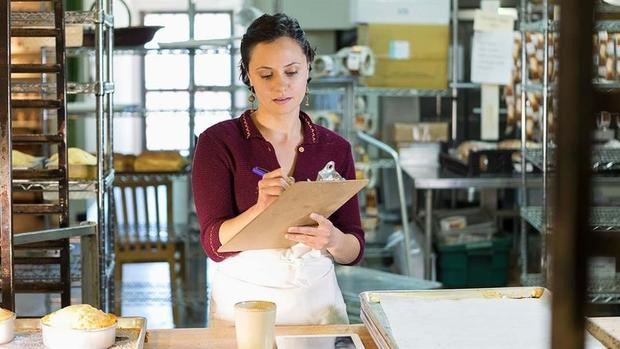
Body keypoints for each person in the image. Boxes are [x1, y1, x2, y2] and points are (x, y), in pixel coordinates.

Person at [191, 13, 364, 326]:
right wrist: (260, 209)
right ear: (248, 76)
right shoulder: (218, 142)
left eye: (292, 71)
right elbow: (213, 245)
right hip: (243, 309)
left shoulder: (335, 148)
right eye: (266, 74)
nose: (281, 85)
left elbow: (353, 248)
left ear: (308, 68)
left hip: (319, 309)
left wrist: (332, 239)